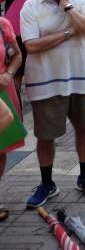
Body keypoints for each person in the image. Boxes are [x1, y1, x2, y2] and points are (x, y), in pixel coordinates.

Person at [20, 0, 85, 208]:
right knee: (45, 135)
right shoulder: (30, 6)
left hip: (82, 77)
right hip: (46, 80)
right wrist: (68, 31)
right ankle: (47, 182)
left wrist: (67, 7)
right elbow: (31, 46)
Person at [0, 16, 22, 220]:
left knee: (1, 150)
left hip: (2, 92)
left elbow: (17, 55)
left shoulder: (3, 24)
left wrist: (9, 74)